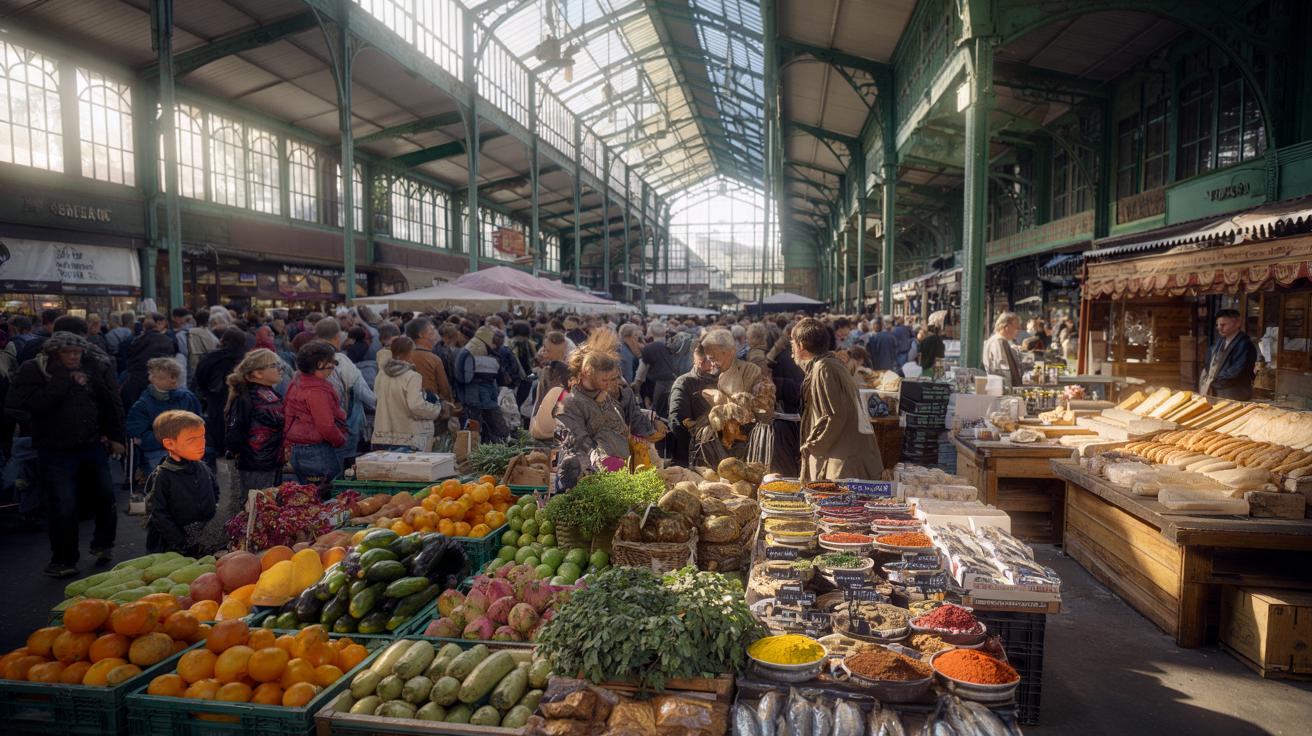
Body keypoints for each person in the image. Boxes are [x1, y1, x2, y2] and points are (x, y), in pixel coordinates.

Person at [6, 332, 125, 577]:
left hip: (91, 443)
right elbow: (27, 404)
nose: (73, 356)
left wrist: (115, 436)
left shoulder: (92, 368)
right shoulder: (36, 369)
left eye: (77, 352)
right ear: (54, 353)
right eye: (67, 352)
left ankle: (103, 544)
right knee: (63, 504)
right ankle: (63, 559)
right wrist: (63, 381)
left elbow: (109, 402)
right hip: (54, 448)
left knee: (105, 496)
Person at [556, 330, 658, 490]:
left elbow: (619, 429)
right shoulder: (569, 403)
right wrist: (602, 462)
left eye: (613, 379)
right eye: (605, 379)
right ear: (587, 373)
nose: (611, 384)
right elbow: (579, 442)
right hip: (584, 478)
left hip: (615, 475)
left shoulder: (606, 398)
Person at [792, 318, 883, 481]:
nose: (792, 351)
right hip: (847, 461)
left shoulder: (824, 368)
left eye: (792, 344)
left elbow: (834, 416)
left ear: (801, 346)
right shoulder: (829, 364)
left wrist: (811, 446)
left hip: (845, 467)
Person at [691, 328, 775, 468]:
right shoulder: (708, 374)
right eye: (709, 358)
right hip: (712, 449)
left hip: (744, 448)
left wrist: (726, 404)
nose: (711, 363)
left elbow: (764, 412)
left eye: (714, 358)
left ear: (730, 352)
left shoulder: (751, 371)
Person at [143, 410, 217, 556]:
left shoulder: (203, 468)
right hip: (171, 548)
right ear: (170, 444)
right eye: (191, 440)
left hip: (202, 542)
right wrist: (180, 543)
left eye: (202, 437)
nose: (201, 443)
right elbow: (158, 514)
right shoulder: (162, 476)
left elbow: (216, 492)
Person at [283, 341, 347, 489]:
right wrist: (340, 440)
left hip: (297, 448)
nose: (334, 366)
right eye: (332, 362)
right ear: (320, 364)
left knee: (308, 495)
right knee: (326, 494)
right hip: (316, 451)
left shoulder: (297, 380)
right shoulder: (317, 392)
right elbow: (326, 426)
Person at [223, 348, 286, 496]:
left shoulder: (271, 393)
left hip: (272, 460)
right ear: (258, 373)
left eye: (279, 365)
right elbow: (235, 433)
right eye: (274, 366)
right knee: (255, 506)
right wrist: (238, 453)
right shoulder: (246, 398)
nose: (280, 369)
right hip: (256, 463)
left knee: (270, 507)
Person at [314, 318, 376, 465]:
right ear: (337, 336)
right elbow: (363, 392)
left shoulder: (306, 359)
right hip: (341, 427)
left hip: (312, 432)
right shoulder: (341, 360)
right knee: (340, 471)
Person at [125, 357, 202, 471]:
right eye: (168, 377)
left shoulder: (187, 398)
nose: (173, 380)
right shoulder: (143, 404)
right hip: (159, 450)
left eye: (175, 376)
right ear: (152, 379)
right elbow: (137, 433)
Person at [372, 337, 443, 451]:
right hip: (407, 436)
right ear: (409, 353)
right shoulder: (412, 376)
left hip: (382, 435)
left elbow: (376, 397)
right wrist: (435, 409)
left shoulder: (381, 375)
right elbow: (416, 405)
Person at [194, 327, 249, 461]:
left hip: (214, 401)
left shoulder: (209, 358)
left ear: (223, 340)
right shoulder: (242, 360)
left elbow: (199, 379)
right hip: (236, 402)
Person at [668, 339, 718, 467]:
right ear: (698, 361)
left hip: (720, 452)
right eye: (704, 361)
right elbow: (677, 420)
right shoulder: (684, 382)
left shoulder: (722, 379)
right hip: (691, 456)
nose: (712, 365)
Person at [454, 326, 508, 443]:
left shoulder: (466, 350)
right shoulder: (488, 357)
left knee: (473, 432)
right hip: (483, 400)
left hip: (470, 399)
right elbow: (499, 379)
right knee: (497, 431)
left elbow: (461, 378)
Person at [120, 312, 175, 410]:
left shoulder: (134, 341)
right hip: (157, 382)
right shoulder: (167, 341)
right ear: (159, 324)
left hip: (135, 382)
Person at [1200, 309, 1258, 400]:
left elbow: (1237, 371)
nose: (1219, 328)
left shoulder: (1245, 345)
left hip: (1234, 393)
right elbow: (1209, 364)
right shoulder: (1220, 341)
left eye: (1223, 325)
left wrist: (1215, 381)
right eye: (1217, 325)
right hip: (1218, 391)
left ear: (1237, 324)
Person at [634, 322, 678, 419]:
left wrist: (636, 386)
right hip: (674, 381)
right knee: (669, 408)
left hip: (659, 383)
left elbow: (641, 371)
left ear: (651, 333)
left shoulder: (649, 348)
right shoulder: (670, 346)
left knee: (656, 410)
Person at [529, 360, 570, 442]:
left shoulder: (542, 386)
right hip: (551, 438)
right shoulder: (558, 392)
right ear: (559, 378)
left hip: (536, 431)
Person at [983, 312, 1024, 387]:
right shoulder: (997, 342)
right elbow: (1002, 371)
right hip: (1000, 390)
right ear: (1006, 326)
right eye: (1016, 327)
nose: (1018, 331)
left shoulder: (1002, 341)